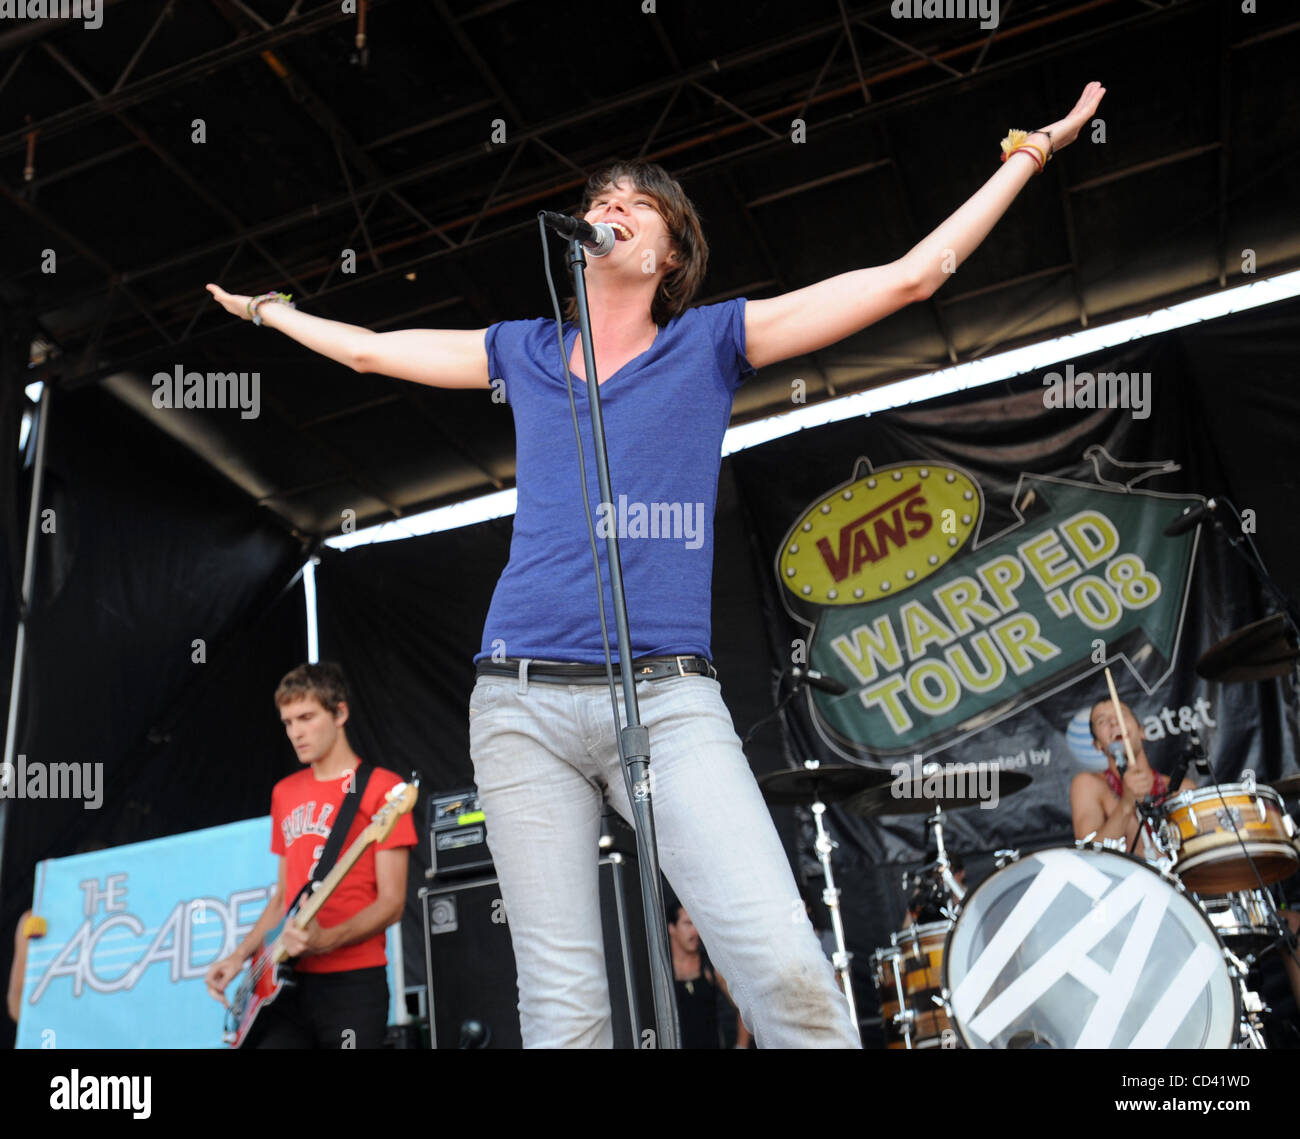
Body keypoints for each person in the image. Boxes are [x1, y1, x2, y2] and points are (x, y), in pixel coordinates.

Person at [205, 81, 1105, 1048]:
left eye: (637, 203)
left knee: (779, 964)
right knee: (564, 1004)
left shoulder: (711, 342)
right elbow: (375, 353)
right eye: (600, 201)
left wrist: (1031, 151)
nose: (610, 209)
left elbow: (911, 277)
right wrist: (269, 312)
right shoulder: (527, 351)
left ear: (670, 253)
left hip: (668, 699)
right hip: (518, 704)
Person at [204, 662, 416, 1048]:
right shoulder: (284, 792)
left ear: (340, 713)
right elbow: (284, 898)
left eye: (306, 717)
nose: (296, 733)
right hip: (285, 982)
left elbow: (391, 903)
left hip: (353, 982)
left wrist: (327, 939)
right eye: (287, 722)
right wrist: (238, 958)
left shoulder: (385, 789)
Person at [1070, 697, 1194, 860]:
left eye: (1121, 714)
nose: (1114, 722)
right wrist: (1127, 802)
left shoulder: (1182, 789)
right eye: (1102, 721)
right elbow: (1088, 856)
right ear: (1097, 745)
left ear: (1141, 731)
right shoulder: (1089, 785)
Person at [666, 897, 751, 1049]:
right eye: (687, 924)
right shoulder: (663, 971)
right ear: (671, 928)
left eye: (696, 924)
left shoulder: (710, 967)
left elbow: (744, 1005)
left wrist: (741, 1046)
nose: (695, 931)